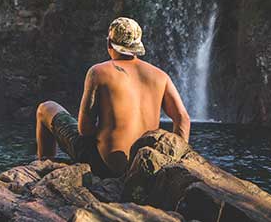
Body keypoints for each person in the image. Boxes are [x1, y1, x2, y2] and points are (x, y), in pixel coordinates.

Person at [35, 17, 190, 177]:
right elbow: (183, 119)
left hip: (105, 166)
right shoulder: (160, 76)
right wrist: (173, 160)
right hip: (144, 167)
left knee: (46, 108)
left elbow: (84, 129)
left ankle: (43, 171)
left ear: (109, 43)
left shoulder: (98, 72)